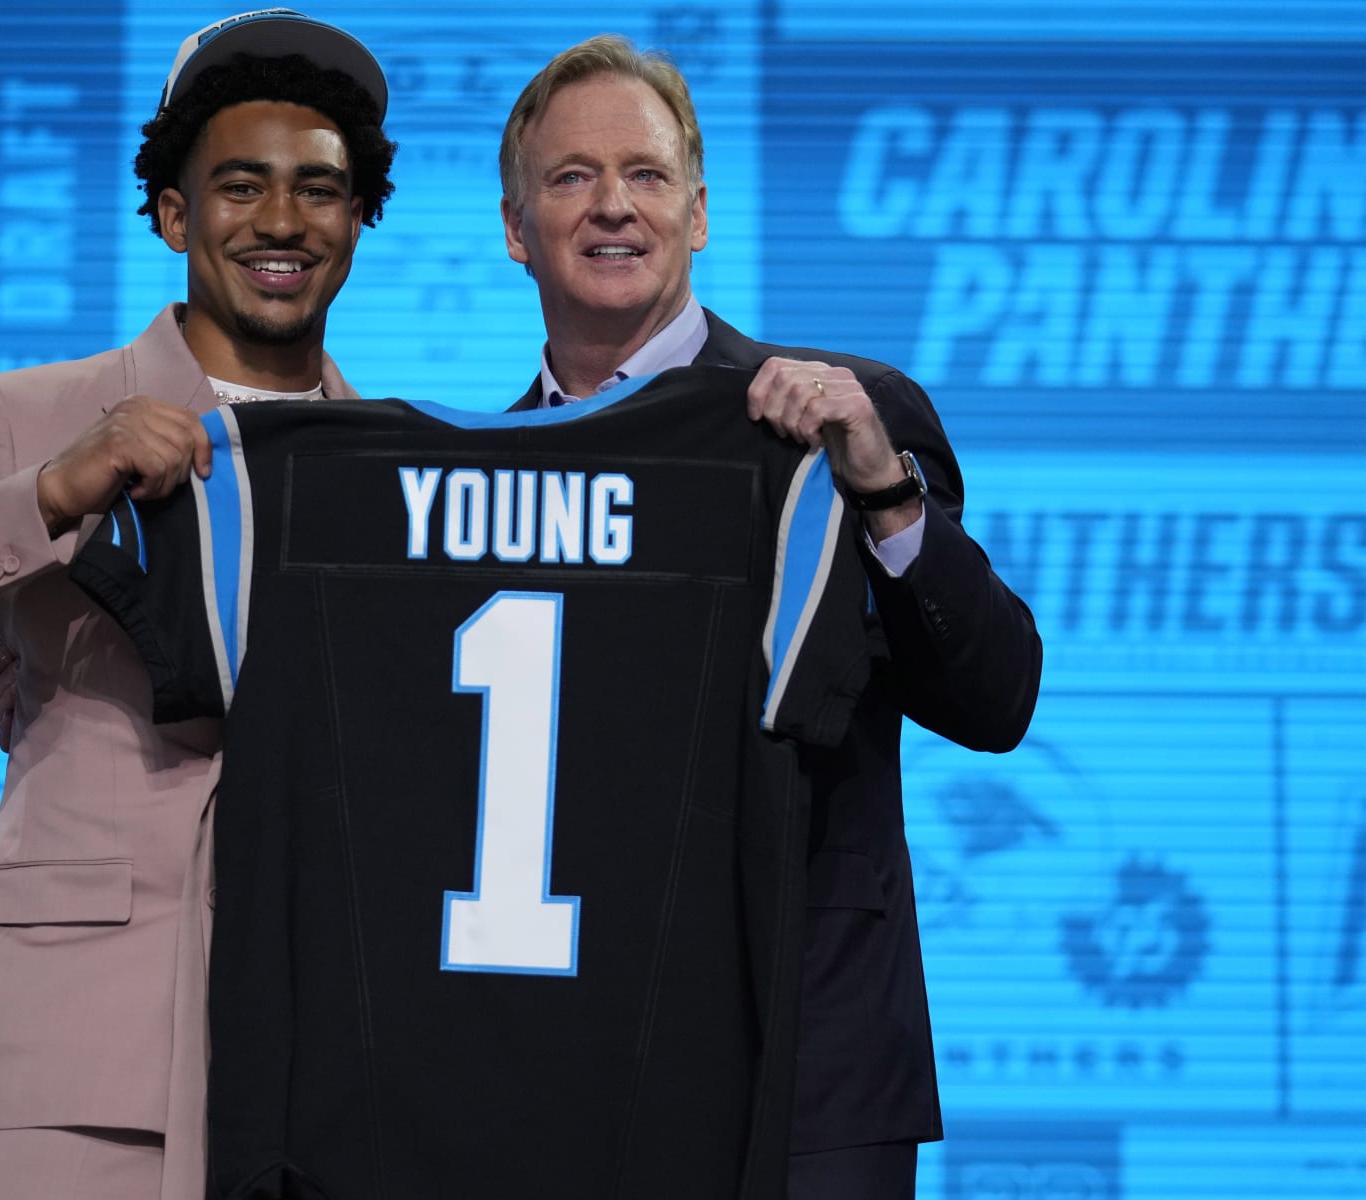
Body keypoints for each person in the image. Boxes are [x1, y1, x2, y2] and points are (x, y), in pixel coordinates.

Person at [0, 11, 396, 1198]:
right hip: (78, 1070)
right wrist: (46, 497)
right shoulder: (28, 418)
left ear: (360, 216)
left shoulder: (396, 471)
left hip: (326, 1083)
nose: (280, 220)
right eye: (240, 185)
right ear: (171, 214)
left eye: (319, 188)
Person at [497, 35, 1043, 1199]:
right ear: (516, 228)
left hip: (813, 1068)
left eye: (646, 174)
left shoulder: (853, 418)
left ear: (697, 214)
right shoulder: (478, 486)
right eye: (571, 176)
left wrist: (882, 489)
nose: (612, 205)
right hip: (563, 1072)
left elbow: (996, 700)